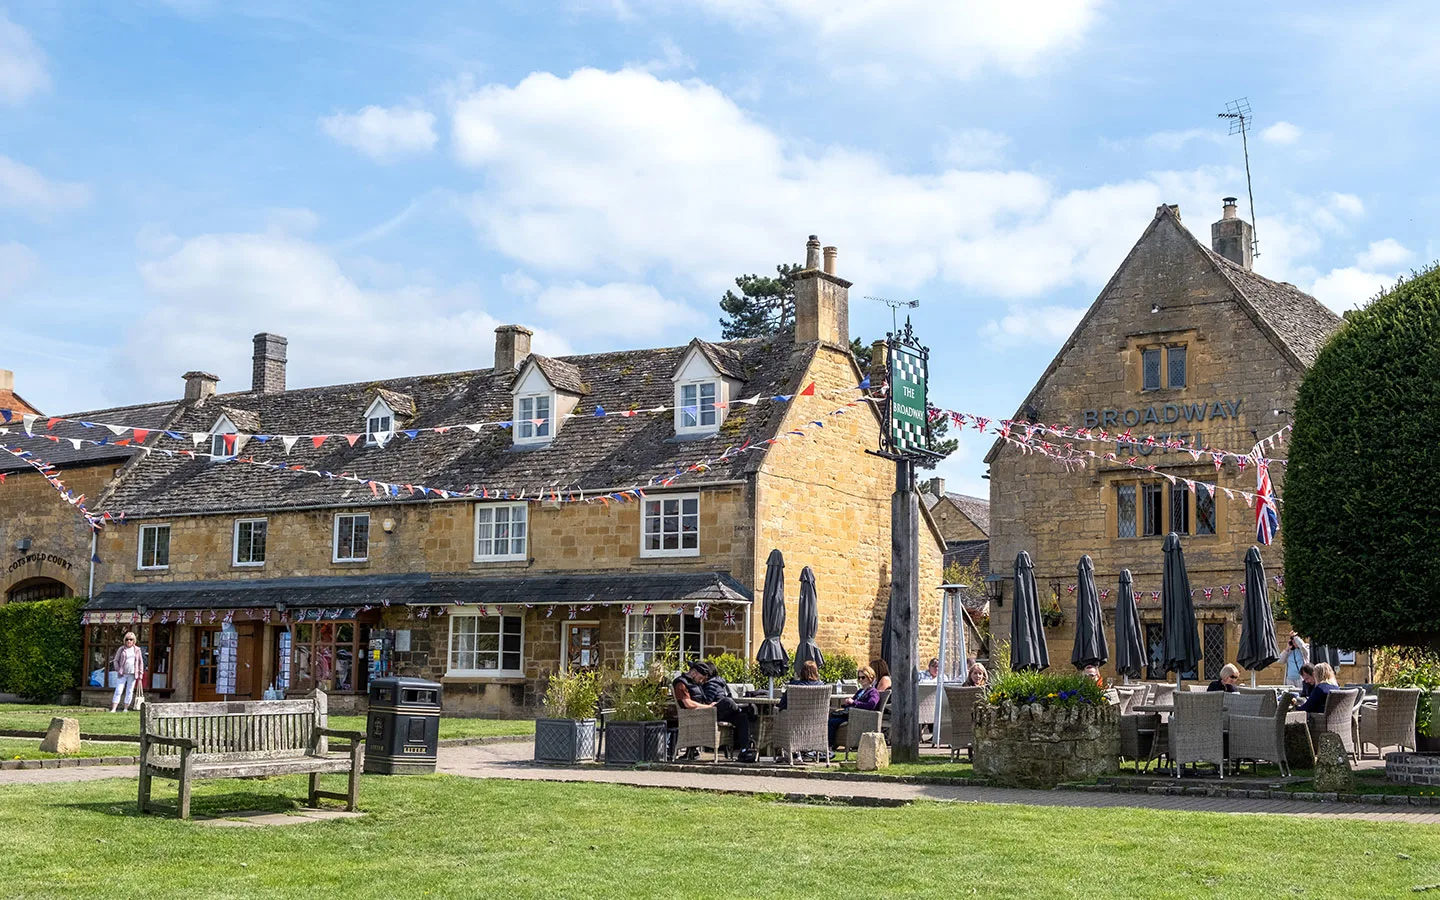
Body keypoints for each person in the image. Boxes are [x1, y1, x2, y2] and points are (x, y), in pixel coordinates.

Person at [672, 660, 758, 762]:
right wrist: (708, 707)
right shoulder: (681, 684)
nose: (701, 681)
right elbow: (688, 704)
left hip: (707, 713)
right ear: (694, 673)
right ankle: (743, 709)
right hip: (698, 715)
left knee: (741, 717)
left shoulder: (694, 682)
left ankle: (744, 751)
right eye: (700, 678)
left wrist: (709, 706)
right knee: (727, 702)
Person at [828, 666, 883, 750]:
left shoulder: (873, 692)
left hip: (860, 716)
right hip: (851, 714)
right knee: (830, 715)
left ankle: (829, 746)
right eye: (859, 677)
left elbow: (871, 704)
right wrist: (847, 703)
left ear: (870, 677)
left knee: (832, 722)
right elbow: (853, 702)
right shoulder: (860, 691)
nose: (860, 680)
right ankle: (830, 744)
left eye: (863, 677)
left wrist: (854, 702)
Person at [109, 632, 145, 713]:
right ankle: (114, 709)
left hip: (132, 674)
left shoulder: (137, 650)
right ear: (124, 640)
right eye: (127, 639)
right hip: (123, 674)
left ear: (134, 641)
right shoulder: (121, 649)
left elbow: (140, 662)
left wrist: (140, 674)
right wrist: (118, 669)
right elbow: (115, 660)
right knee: (118, 690)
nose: (129, 641)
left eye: (131, 639)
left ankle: (125, 708)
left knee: (129, 691)